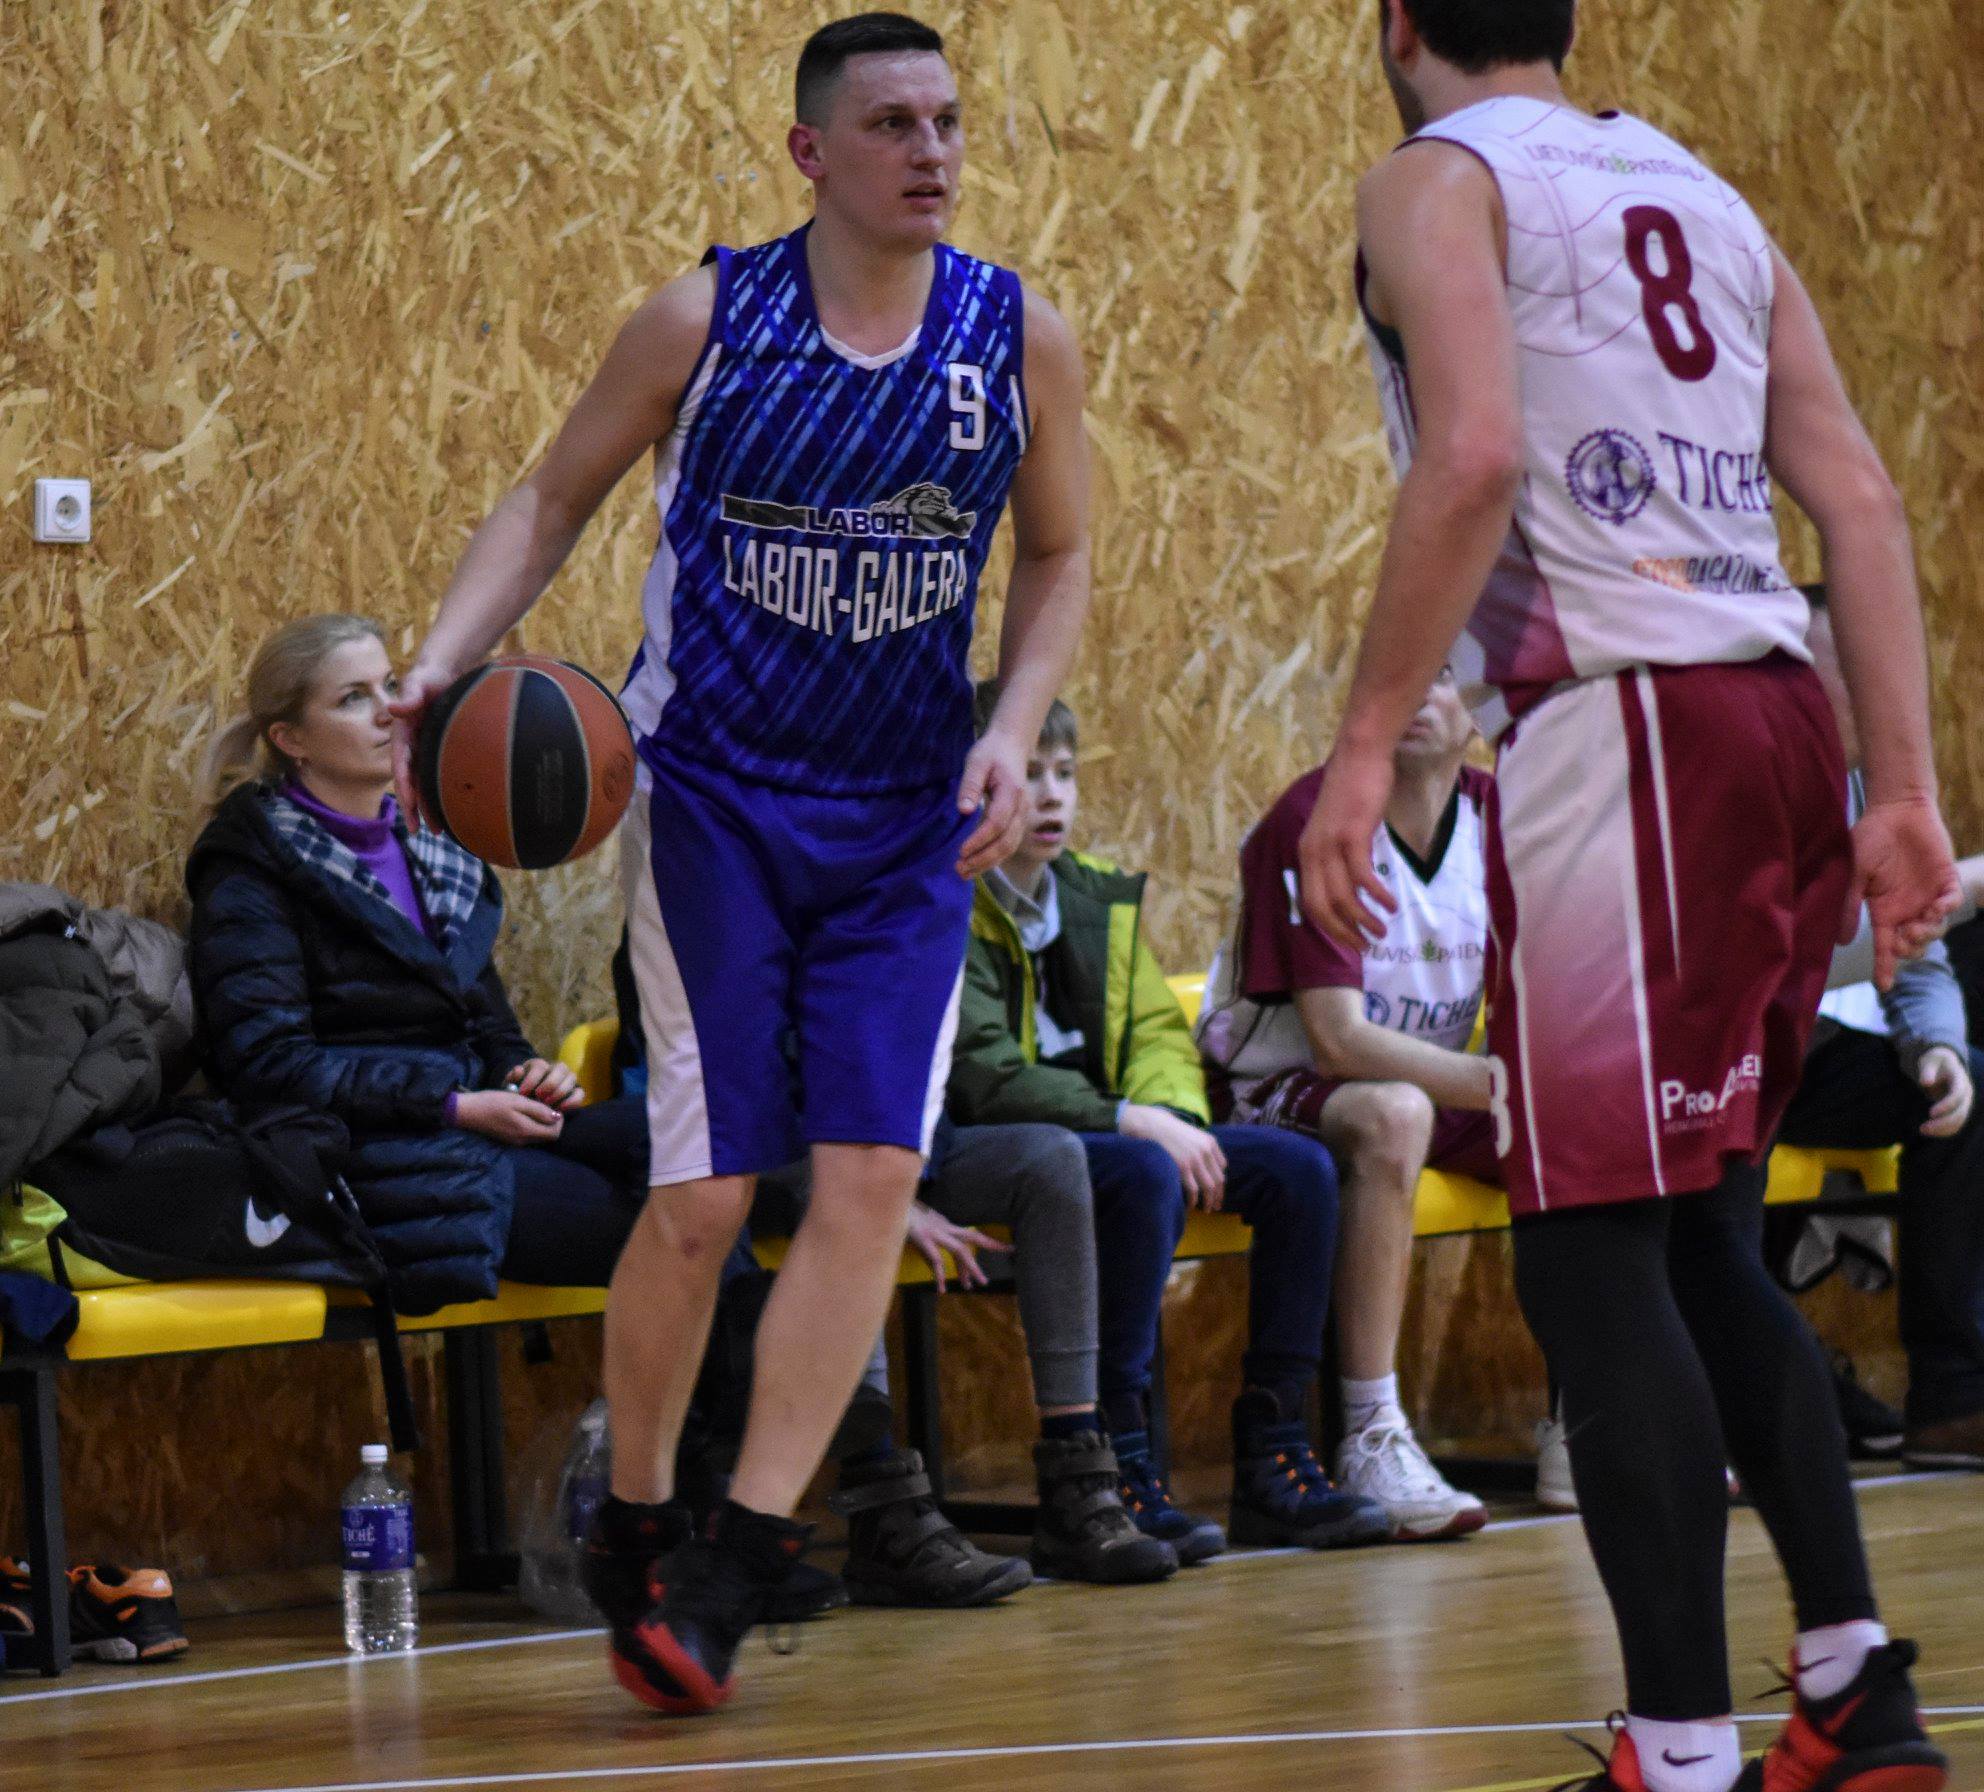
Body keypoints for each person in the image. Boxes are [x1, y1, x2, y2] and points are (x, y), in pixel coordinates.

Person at [391, 13, 1091, 1715]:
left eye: (947, 120)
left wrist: (1012, 728)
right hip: (714, 798)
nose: (931, 150)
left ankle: (741, 1549)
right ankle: (637, 1509)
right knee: (704, 1199)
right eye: (891, 123)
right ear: (809, 151)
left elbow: (1059, 552)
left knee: (866, 1183)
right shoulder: (707, 319)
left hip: (905, 823)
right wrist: (441, 665)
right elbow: (550, 498)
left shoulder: (1014, 336)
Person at [1299, 5, 1960, 1789]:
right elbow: (1859, 499)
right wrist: (1900, 789)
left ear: (1395, 24)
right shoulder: (1699, 187)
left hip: (1630, 722)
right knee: (1699, 1236)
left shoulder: (1436, 176)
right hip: (1775, 717)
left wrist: (1360, 745)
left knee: (1589, 1255)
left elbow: (1473, 458)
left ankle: (1674, 1753)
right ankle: (1851, 1690)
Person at [948, 686, 1389, 1558]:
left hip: (1119, 1131)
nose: (1050, 795)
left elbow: (1155, 1032)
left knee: (1298, 1169)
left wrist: (1178, 1118)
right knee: (1143, 1170)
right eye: (1030, 773)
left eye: (1065, 773)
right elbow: (984, 1078)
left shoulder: (1095, 896)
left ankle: (1274, 1452)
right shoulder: (950, 898)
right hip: (1010, 1145)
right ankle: (1114, 1458)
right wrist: (1133, 1122)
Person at [188, 616, 650, 1313]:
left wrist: (527, 1073)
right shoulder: (251, 870)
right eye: (353, 698)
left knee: (704, 1164)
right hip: (380, 1163)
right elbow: (269, 1067)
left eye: (391, 685)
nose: (388, 711)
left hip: (479, 1128)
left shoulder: (438, 845)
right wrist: (453, 1106)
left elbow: (490, 1029)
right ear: (291, 740)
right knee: (672, 1232)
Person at [1199, 667, 1493, 1540]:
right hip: (1277, 1086)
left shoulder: (1500, 817)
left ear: (1479, 713)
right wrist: (1499, 1085)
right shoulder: (1314, 816)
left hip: (1432, 1083)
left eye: (1444, 675)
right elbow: (1338, 1040)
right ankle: (1370, 1431)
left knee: (1590, 1132)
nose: (1420, 691)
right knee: (1394, 1114)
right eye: (1406, 673)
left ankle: (1585, 1418)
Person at [1756, 592, 1984, 1473]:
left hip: (1807, 1051)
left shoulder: (1875, 792)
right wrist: (1964, 884)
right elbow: (1778, 954)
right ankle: (1760, 1389)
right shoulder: (1742, 784)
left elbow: (1916, 961)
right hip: (1719, 1053)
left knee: (1965, 1095)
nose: (1865, 687)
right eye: (1840, 667)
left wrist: (1938, 1050)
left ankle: (1952, 1400)